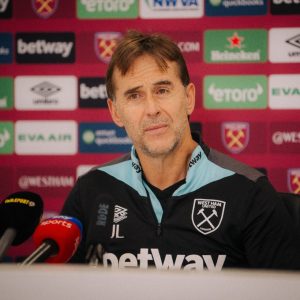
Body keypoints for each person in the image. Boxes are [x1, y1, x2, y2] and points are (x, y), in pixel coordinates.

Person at [62, 30, 300, 270]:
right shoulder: (91, 190)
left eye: (162, 90)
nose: (152, 109)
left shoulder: (250, 192)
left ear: (189, 98)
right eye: (134, 96)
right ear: (115, 112)